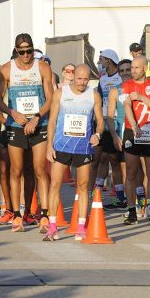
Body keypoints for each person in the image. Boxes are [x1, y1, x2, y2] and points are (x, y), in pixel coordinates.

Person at [0, 33, 53, 233]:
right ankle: (16, 215)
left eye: (29, 51)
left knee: (38, 169)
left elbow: (51, 98)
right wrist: (11, 112)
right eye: (22, 51)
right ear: (16, 50)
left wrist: (36, 117)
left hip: (38, 124)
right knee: (15, 170)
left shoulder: (42, 67)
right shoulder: (7, 70)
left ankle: (42, 214)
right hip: (16, 126)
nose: (26, 55)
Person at [45, 64, 103, 241]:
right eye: (79, 78)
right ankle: (53, 226)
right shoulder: (61, 93)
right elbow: (52, 121)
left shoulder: (93, 95)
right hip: (62, 146)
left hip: (83, 147)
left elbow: (100, 121)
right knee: (55, 184)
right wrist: (49, 145)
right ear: (73, 76)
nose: (82, 82)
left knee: (84, 186)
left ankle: (81, 227)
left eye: (86, 79)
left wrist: (98, 135)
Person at [122, 56, 150, 225]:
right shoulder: (127, 85)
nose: (133, 71)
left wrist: (141, 98)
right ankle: (131, 210)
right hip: (133, 132)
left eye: (136, 68)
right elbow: (126, 104)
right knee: (131, 173)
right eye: (132, 67)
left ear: (145, 68)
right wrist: (134, 125)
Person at [91, 50, 123, 198]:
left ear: (109, 61)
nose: (99, 62)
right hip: (103, 121)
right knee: (100, 157)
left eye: (101, 59)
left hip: (116, 122)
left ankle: (121, 194)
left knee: (114, 160)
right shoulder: (102, 79)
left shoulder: (121, 77)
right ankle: (96, 189)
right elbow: (97, 98)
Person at [105, 59, 132, 209]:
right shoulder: (115, 90)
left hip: (139, 133)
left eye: (128, 70)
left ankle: (140, 199)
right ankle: (122, 198)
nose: (125, 73)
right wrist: (115, 137)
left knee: (136, 169)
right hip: (120, 132)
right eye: (122, 71)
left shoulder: (139, 87)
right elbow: (109, 116)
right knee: (117, 165)